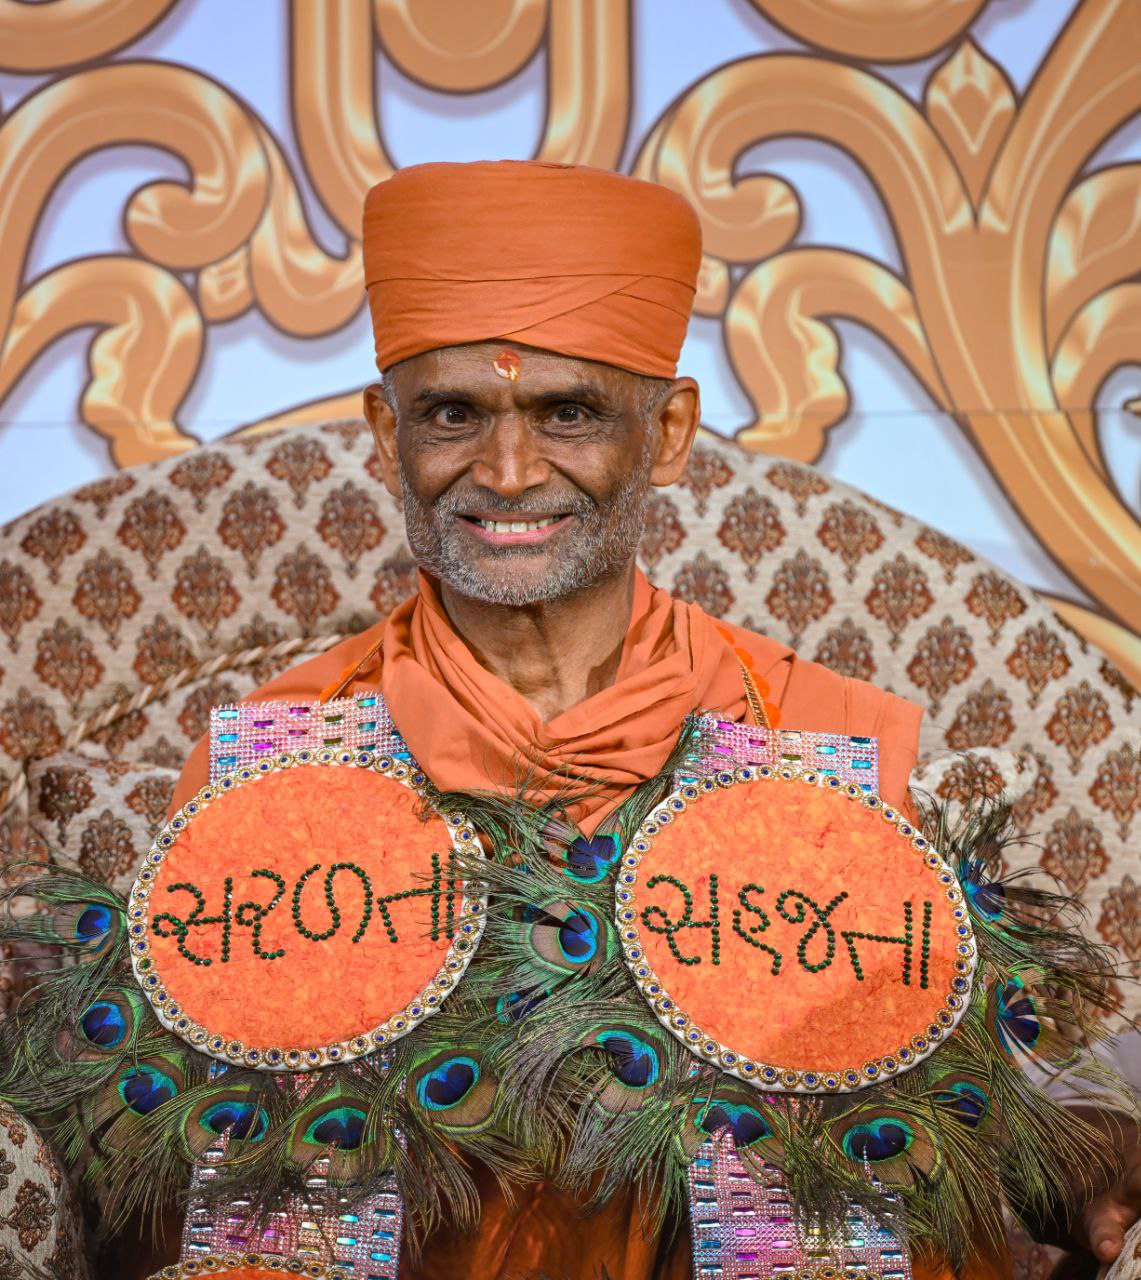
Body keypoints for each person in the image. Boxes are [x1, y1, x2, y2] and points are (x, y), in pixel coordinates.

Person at [163, 161, 1138, 1280]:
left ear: (667, 432)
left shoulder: (813, 736)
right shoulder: (278, 759)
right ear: (385, 433)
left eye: (568, 413)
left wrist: (1083, 1153)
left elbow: (942, 1092)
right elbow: (189, 1146)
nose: (508, 472)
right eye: (452, 414)